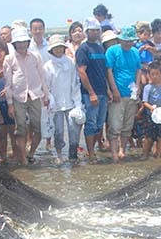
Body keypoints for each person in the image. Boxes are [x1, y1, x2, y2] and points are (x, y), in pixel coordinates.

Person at [3, 26, 49, 165]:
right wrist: (10, 104)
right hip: (18, 97)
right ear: (14, 44)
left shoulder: (35, 56)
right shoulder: (9, 59)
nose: (22, 44)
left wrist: (46, 96)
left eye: (24, 42)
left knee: (37, 128)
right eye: (19, 42)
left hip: (35, 95)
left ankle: (31, 153)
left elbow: (42, 77)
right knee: (21, 128)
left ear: (28, 43)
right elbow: (8, 83)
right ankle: (23, 158)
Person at [44, 34, 83, 163]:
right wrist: (50, 99)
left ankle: (73, 155)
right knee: (58, 131)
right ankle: (59, 154)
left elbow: (75, 83)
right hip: (56, 105)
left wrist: (78, 104)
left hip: (70, 103)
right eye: (56, 48)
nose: (59, 50)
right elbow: (46, 86)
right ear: (51, 50)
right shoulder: (48, 66)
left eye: (61, 47)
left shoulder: (70, 63)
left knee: (73, 130)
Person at [105, 26, 142, 163]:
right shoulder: (112, 51)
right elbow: (109, 71)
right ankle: (114, 153)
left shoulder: (135, 51)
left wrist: (137, 87)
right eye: (125, 41)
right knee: (115, 125)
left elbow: (138, 70)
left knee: (127, 125)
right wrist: (114, 90)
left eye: (130, 41)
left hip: (131, 94)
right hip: (118, 93)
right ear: (120, 40)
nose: (128, 43)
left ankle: (122, 150)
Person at [76, 17, 108, 163]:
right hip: (90, 93)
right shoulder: (83, 48)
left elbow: (104, 70)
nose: (94, 33)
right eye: (91, 30)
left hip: (103, 91)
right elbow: (82, 72)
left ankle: (93, 149)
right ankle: (91, 152)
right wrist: (91, 92)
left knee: (99, 123)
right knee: (90, 123)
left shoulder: (100, 47)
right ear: (87, 31)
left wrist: (108, 90)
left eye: (96, 30)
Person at [28, 18, 53, 151]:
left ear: (44, 29)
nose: (37, 31)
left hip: (48, 83)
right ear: (30, 30)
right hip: (32, 84)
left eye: (40, 29)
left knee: (49, 112)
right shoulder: (27, 46)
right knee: (33, 115)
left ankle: (49, 141)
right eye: (35, 29)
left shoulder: (49, 46)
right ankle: (30, 140)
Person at [141, 61, 161, 159]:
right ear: (148, 75)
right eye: (152, 74)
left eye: (157, 74)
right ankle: (145, 154)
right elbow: (144, 101)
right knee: (148, 136)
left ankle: (158, 155)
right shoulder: (147, 87)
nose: (155, 76)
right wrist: (151, 108)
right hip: (150, 115)